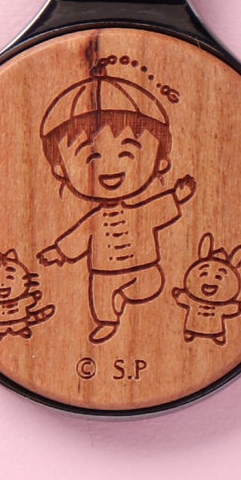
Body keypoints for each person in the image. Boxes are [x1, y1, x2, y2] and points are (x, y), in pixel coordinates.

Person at [36, 58, 195, 343]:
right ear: (61, 170)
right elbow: (78, 236)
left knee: (150, 283)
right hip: (103, 273)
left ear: (160, 162)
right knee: (102, 297)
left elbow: (159, 210)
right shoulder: (94, 220)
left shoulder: (141, 211)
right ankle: (108, 320)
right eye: (91, 156)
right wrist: (59, 252)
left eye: (127, 154)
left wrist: (177, 196)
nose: (110, 168)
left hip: (144, 267)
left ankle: (125, 300)